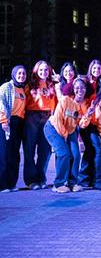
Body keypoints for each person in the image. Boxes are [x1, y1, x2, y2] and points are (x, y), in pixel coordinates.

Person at [43, 78, 93, 193]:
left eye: (82, 87)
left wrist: (88, 115)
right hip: (53, 128)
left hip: (70, 131)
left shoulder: (84, 105)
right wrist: (64, 136)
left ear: (86, 89)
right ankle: (59, 184)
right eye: (77, 88)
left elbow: (81, 124)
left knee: (76, 154)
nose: (80, 90)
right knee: (64, 153)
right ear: (73, 89)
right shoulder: (65, 100)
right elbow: (57, 120)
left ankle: (72, 183)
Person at [24, 60, 57, 190]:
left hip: (48, 117)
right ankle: (31, 180)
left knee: (45, 150)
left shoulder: (52, 85)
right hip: (31, 116)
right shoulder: (30, 85)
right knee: (29, 149)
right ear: (36, 71)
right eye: (41, 70)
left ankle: (41, 178)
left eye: (46, 70)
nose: (43, 72)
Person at [0, 66, 27, 192]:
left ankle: (11, 183)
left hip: (19, 124)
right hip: (7, 122)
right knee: (5, 154)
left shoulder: (23, 89)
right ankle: (3, 184)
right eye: (19, 73)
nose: (21, 75)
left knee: (15, 155)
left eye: (23, 74)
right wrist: (3, 121)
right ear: (14, 74)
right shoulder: (7, 87)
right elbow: (1, 104)